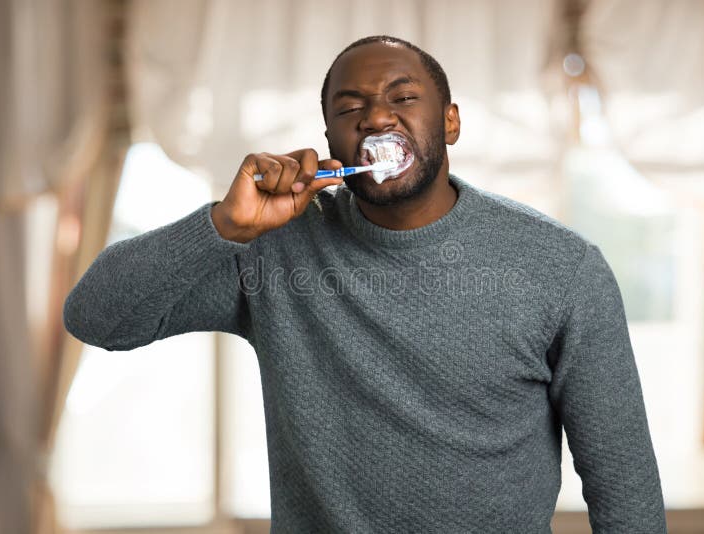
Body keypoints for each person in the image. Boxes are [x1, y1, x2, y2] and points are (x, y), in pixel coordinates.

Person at [64, 35, 668, 533]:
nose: (377, 116)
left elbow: (625, 493)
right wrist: (224, 224)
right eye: (350, 109)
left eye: (403, 97)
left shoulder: (561, 269)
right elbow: (96, 317)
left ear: (450, 123)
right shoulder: (272, 252)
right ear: (331, 141)